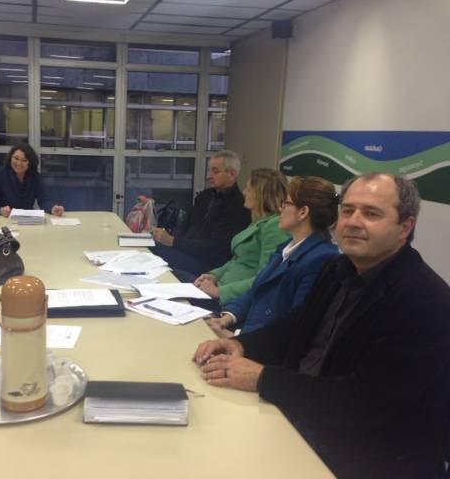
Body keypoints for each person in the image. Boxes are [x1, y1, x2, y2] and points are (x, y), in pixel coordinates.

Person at [193, 172, 450, 477]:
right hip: (304, 422)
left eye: (371, 213)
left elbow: (363, 402)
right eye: (348, 210)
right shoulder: (339, 268)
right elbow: (296, 325)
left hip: (367, 459)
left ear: (405, 227)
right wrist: (240, 344)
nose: (353, 221)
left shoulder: (425, 302)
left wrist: (262, 378)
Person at [208, 176, 340, 337]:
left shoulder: (321, 259)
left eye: (286, 203)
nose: (280, 208)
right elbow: (256, 290)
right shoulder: (285, 248)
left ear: (303, 212)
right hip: (248, 334)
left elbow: (294, 323)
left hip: (260, 344)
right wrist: (227, 318)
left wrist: (236, 337)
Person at [194, 168, 290, 306]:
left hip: (234, 300)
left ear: (262, 195)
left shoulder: (274, 226)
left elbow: (265, 278)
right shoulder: (258, 222)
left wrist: (219, 292)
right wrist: (214, 275)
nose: (244, 192)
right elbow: (237, 261)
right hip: (222, 287)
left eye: (248, 189)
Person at [151, 150, 251, 277]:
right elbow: (185, 226)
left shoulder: (238, 206)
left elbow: (216, 247)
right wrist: (166, 237)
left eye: (215, 171)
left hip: (208, 263)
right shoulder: (205, 196)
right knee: (150, 244)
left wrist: (173, 241)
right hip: (186, 251)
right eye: (209, 171)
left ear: (232, 174)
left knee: (153, 251)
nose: (209, 176)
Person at [0, 144, 64, 217]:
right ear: (10, 158)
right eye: (16, 158)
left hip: (27, 220)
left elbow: (44, 200)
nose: (19, 163)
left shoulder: (35, 176)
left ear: (30, 163)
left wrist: (52, 208)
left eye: (24, 160)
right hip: (4, 219)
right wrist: (0, 210)